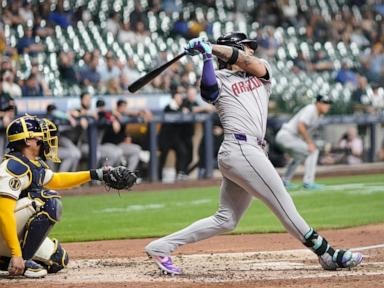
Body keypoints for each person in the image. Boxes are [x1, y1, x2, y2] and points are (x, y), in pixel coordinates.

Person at [145, 32, 362, 275]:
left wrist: (211, 47)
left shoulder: (262, 72)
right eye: (246, 47)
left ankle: (161, 246)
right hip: (239, 149)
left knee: (226, 219)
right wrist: (207, 57)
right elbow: (209, 92)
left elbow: (248, 63)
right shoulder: (218, 77)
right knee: (284, 205)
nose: (251, 51)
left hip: (249, 151)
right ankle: (328, 254)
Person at [0, 115, 134, 278]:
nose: (45, 139)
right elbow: (3, 212)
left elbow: (56, 179)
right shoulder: (13, 167)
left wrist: (95, 174)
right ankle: (23, 259)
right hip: (3, 229)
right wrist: (16, 253)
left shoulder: (31, 163)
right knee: (47, 200)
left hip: (8, 232)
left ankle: (4, 260)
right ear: (28, 141)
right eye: (40, 135)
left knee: (58, 260)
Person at [275, 94, 333, 190]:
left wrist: (307, 142)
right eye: (324, 103)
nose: (327, 105)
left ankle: (284, 181)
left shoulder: (319, 115)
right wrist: (309, 143)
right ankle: (308, 182)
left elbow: (305, 130)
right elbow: (301, 126)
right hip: (287, 136)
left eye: (329, 103)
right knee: (313, 151)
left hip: (289, 137)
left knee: (299, 156)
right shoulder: (311, 109)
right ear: (317, 103)